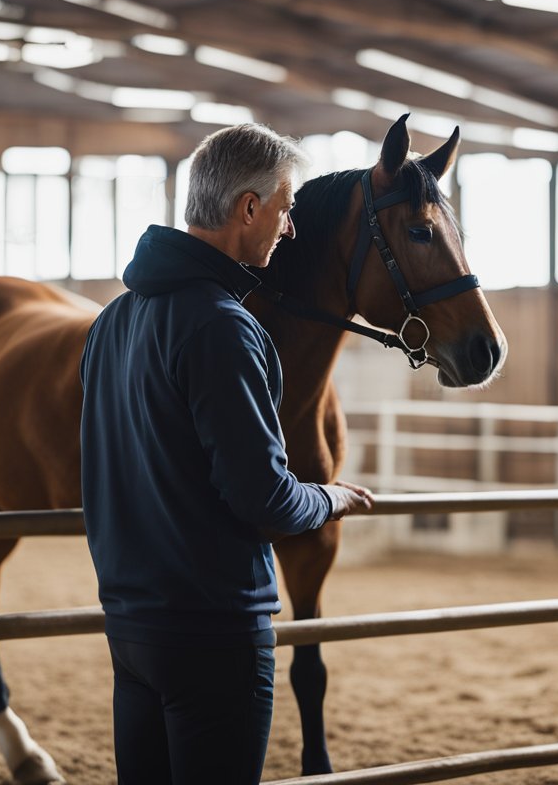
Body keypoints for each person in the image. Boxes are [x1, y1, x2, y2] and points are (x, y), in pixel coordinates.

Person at [79, 123, 374, 785]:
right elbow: (264, 499)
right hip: (213, 630)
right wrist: (331, 497)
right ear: (248, 209)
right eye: (284, 208)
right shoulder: (222, 325)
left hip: (130, 630)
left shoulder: (111, 322)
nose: (291, 227)